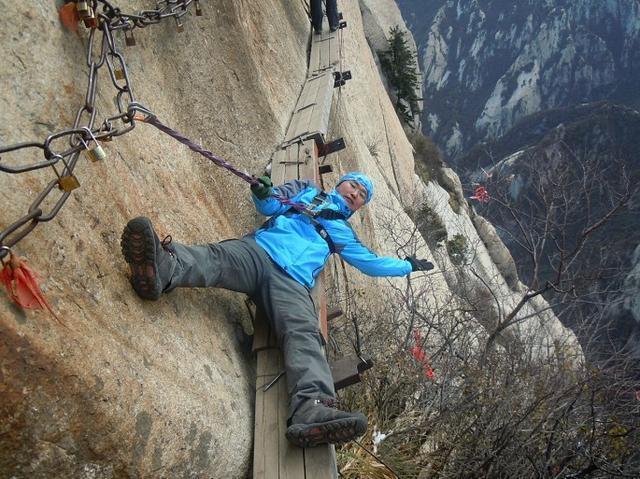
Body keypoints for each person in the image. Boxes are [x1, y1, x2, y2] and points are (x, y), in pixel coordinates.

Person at [120, 172, 434, 448]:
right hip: (260, 251)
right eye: (354, 185)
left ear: (358, 207)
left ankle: (312, 408)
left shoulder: (342, 233)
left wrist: (408, 265)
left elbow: (372, 264)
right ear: (340, 183)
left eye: (361, 195)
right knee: (215, 258)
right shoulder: (307, 191)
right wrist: (262, 192)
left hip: (292, 283)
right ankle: (162, 269)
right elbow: (271, 204)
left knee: (305, 335)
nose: (355, 193)